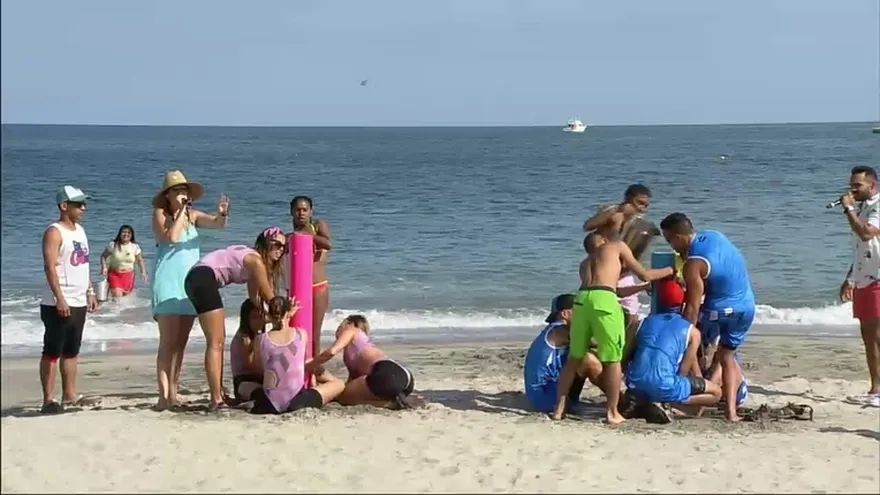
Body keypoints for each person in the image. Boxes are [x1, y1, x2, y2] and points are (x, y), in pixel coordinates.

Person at [552, 234, 673, 424]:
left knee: (573, 358)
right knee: (613, 360)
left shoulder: (585, 263)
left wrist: (641, 287)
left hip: (581, 300)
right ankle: (612, 412)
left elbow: (610, 287)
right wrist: (670, 269)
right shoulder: (616, 246)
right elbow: (645, 274)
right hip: (604, 302)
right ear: (604, 241)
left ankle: (559, 409)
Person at [659, 212, 755, 421]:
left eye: (670, 241)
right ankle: (731, 412)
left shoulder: (693, 264)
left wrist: (682, 334)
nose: (672, 247)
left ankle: (697, 392)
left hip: (718, 310)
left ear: (678, 236)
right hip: (747, 307)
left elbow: (692, 308)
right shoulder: (715, 235)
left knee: (692, 341)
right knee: (727, 356)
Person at [151, 170, 229, 411]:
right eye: (177, 190)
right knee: (167, 343)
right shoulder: (160, 215)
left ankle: (174, 393)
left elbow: (217, 224)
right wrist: (181, 212)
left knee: (180, 344)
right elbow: (172, 238)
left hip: (188, 285)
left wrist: (222, 213)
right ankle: (163, 397)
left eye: (184, 190)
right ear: (167, 195)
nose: (182, 194)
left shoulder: (193, 216)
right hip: (167, 283)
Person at [183, 227, 286, 410]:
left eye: (284, 247)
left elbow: (255, 299)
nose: (280, 250)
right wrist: (284, 315)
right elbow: (271, 299)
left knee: (216, 341)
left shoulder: (253, 261)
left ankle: (218, 396)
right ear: (265, 243)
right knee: (216, 342)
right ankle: (216, 400)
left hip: (196, 279)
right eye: (276, 244)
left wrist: (270, 318)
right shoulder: (256, 261)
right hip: (202, 278)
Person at [624, 279, 722, 423]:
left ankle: (643, 399)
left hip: (635, 383)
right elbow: (683, 370)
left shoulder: (640, 323)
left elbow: (624, 358)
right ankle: (668, 402)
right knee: (716, 393)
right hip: (665, 385)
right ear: (682, 302)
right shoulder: (692, 332)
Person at [39, 186, 99, 414]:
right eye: (78, 204)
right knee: (52, 351)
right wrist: (59, 298)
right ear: (64, 206)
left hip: (79, 300)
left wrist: (90, 291)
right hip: (58, 302)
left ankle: (70, 394)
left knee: (72, 350)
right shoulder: (54, 232)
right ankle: (48, 399)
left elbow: (83, 264)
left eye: (84, 204)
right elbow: (50, 267)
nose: (83, 208)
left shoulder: (80, 231)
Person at [250, 296, 345, 415]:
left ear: (268, 315)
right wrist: (289, 315)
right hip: (297, 402)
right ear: (287, 312)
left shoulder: (260, 339)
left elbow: (259, 368)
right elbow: (303, 363)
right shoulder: (301, 334)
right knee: (339, 384)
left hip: (269, 404)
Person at [838, 165, 880, 406]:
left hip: (878, 278)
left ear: (872, 185)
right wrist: (850, 277)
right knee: (868, 335)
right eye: (851, 185)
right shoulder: (864, 207)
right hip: (864, 277)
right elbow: (862, 248)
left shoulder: (878, 207)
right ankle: (875, 389)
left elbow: (866, 233)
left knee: (876, 335)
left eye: (857, 185)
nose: (852, 190)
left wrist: (849, 208)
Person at [310, 314, 417, 409]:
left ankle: (389, 404)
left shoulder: (352, 330)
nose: (337, 330)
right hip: (405, 377)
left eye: (340, 326)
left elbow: (332, 351)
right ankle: (393, 399)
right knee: (346, 394)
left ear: (350, 323)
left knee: (342, 397)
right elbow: (352, 385)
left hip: (385, 374)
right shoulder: (357, 347)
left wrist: (310, 365)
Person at [523, 294, 601, 414]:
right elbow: (597, 342)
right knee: (589, 360)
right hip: (546, 396)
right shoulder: (560, 331)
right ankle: (618, 400)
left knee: (587, 356)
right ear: (565, 314)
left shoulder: (552, 330)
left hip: (545, 392)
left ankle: (617, 397)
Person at [288, 196, 332, 358]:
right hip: (297, 288)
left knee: (314, 334)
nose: (301, 213)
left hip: (317, 286)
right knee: (295, 330)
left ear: (311, 212)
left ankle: (314, 368)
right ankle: (297, 364)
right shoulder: (291, 236)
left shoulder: (317, 226)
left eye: (305, 210)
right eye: (297, 210)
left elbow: (328, 244)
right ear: (291, 212)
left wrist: (306, 236)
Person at [582, 184, 652, 236]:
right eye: (640, 203)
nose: (642, 208)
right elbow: (587, 226)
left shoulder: (639, 218)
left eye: (646, 205)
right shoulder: (612, 210)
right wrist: (617, 211)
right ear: (627, 198)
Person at [229, 299, 265, 402]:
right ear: (246, 319)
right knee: (261, 394)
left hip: (260, 378)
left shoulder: (259, 335)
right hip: (244, 381)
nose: (258, 321)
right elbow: (251, 365)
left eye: (261, 317)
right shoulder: (244, 338)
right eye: (254, 318)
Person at [100, 224, 147, 298]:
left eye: (129, 232)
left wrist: (143, 272)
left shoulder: (135, 246)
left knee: (125, 299)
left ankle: (110, 305)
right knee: (118, 296)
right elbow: (103, 256)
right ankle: (113, 305)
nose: (126, 234)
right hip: (114, 274)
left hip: (128, 276)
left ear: (132, 235)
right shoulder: (113, 245)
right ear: (120, 233)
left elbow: (140, 260)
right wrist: (104, 267)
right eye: (124, 232)